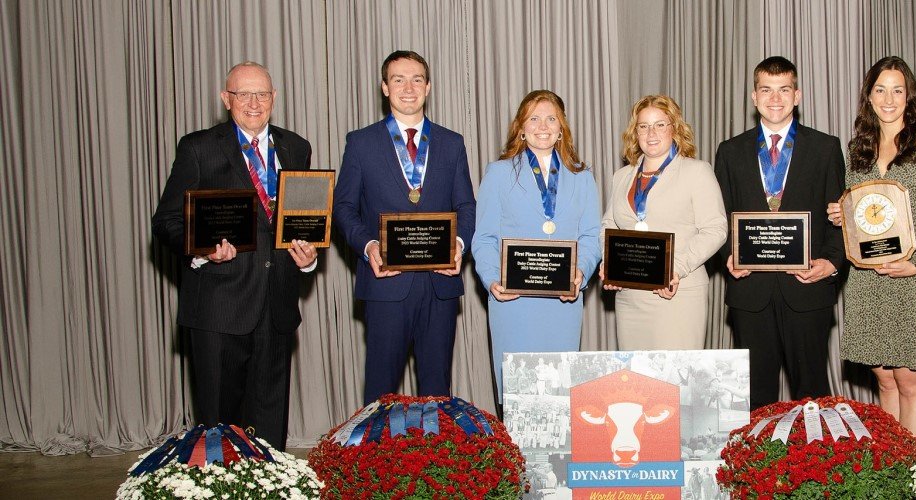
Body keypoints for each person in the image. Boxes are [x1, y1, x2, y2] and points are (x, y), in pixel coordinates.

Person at [151, 61, 317, 450]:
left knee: (270, 432)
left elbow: (301, 222)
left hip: (276, 307)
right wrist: (203, 249)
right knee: (219, 433)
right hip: (219, 309)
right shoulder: (199, 147)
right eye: (243, 94)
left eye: (262, 94)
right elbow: (167, 221)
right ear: (226, 99)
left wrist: (307, 257)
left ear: (274, 98)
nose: (254, 102)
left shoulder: (297, 146)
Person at [332, 50, 476, 404]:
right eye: (398, 79)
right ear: (384, 87)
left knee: (437, 389)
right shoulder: (360, 143)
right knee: (380, 391)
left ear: (428, 87)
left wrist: (457, 245)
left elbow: (466, 206)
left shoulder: (452, 142)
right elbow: (344, 207)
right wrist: (368, 247)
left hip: (439, 284)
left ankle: (437, 459)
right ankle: (370, 458)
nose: (407, 88)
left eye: (416, 79)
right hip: (386, 285)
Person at [825, 56, 916, 439]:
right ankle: (895, 467)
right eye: (880, 89)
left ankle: (913, 471)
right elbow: (858, 209)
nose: (888, 98)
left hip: (912, 278)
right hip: (867, 281)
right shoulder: (857, 149)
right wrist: (841, 213)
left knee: (911, 381)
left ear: (909, 96)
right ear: (869, 95)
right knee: (884, 380)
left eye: (897, 90)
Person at [714, 56, 846, 410]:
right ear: (754, 97)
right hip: (750, 292)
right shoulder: (729, 151)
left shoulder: (826, 148)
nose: (776, 98)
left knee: (813, 397)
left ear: (797, 95)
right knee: (755, 397)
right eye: (766, 90)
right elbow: (718, 219)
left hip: (807, 288)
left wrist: (832, 264)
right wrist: (729, 254)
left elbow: (841, 218)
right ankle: (758, 466)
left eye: (784, 89)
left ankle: (815, 466)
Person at [472, 90, 601, 396]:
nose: (542, 125)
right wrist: (492, 281)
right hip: (513, 303)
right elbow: (485, 237)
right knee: (518, 397)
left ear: (561, 129)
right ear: (521, 127)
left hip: (563, 304)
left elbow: (590, 236)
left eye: (551, 118)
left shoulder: (582, 176)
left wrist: (580, 273)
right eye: (534, 118)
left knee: (558, 397)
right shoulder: (499, 173)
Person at [600, 95, 727, 350]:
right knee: (637, 385)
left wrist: (676, 268)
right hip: (630, 297)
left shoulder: (697, 171)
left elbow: (716, 229)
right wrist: (609, 264)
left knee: (677, 382)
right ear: (635, 133)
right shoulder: (621, 176)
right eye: (643, 126)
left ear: (675, 129)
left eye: (660, 124)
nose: (651, 133)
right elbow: (608, 225)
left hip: (678, 293)